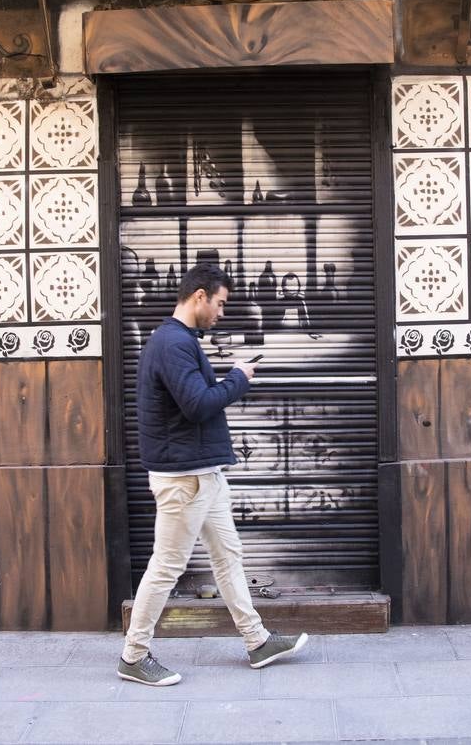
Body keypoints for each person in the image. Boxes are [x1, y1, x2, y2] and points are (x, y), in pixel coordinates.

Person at [118, 263, 309, 687]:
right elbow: (198, 404)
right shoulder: (172, 343)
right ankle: (133, 655)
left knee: (228, 556)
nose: (222, 313)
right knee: (167, 566)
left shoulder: (180, 341)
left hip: (204, 473)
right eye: (220, 303)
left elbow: (192, 402)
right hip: (185, 478)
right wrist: (239, 378)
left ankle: (257, 640)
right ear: (199, 296)